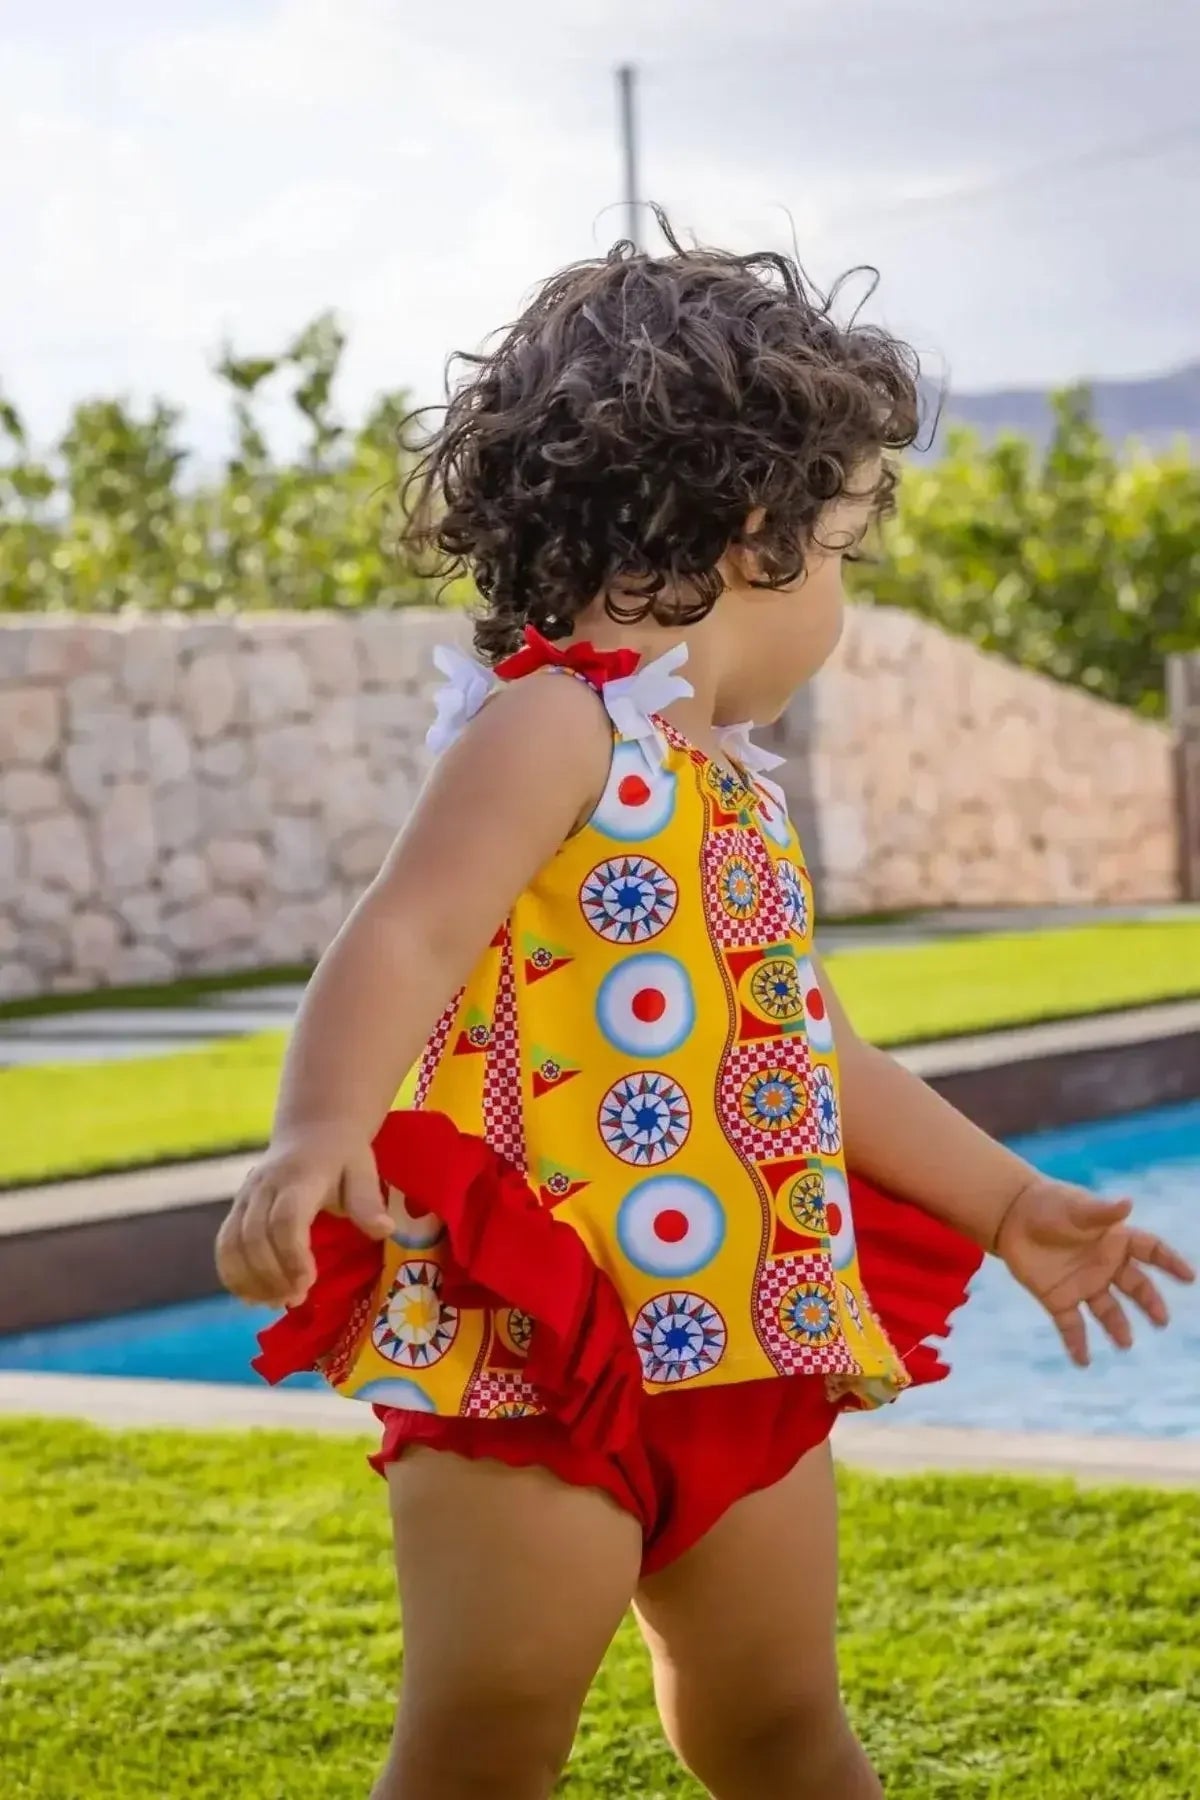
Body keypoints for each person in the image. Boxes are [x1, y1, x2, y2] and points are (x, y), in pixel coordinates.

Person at [215, 223, 1194, 1800]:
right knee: (485, 1738)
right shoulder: (554, 722)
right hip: (542, 1350)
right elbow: (406, 928)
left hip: (740, 1335)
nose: (843, 599)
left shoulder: (724, 781)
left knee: (776, 1724)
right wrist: (317, 1131)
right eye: (847, 552)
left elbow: (814, 1053)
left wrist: (1011, 1205)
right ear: (758, 533)